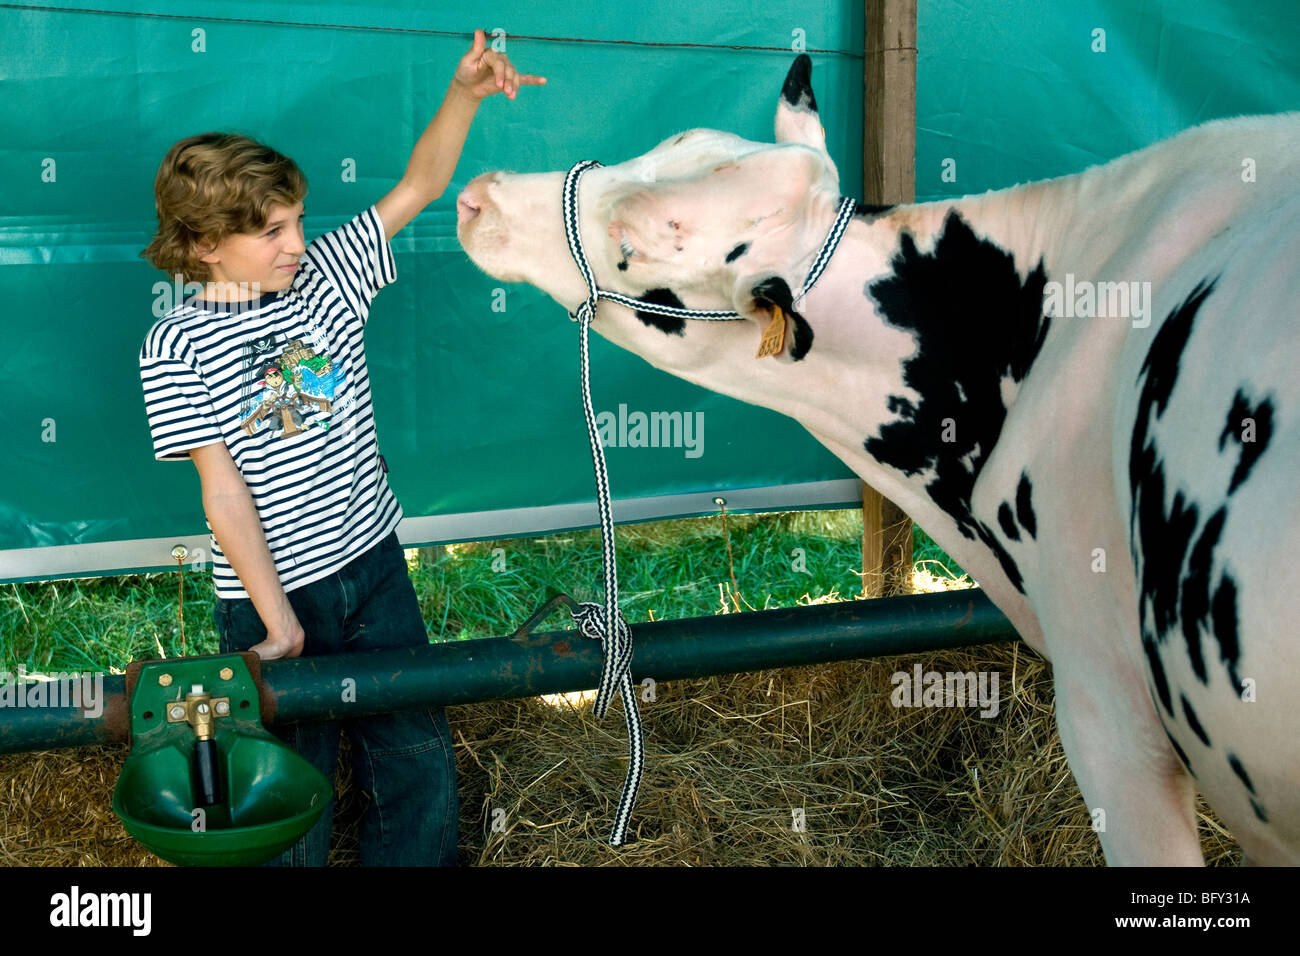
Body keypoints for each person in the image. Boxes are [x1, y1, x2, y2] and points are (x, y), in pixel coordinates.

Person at [137, 30, 545, 866]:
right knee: (290, 782)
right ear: (204, 245)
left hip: (373, 564)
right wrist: (280, 627)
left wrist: (464, 92)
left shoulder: (328, 274)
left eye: (297, 221)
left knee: (414, 752)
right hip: (273, 596)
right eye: (271, 231)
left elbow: (421, 184)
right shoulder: (173, 345)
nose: (295, 242)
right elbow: (223, 494)